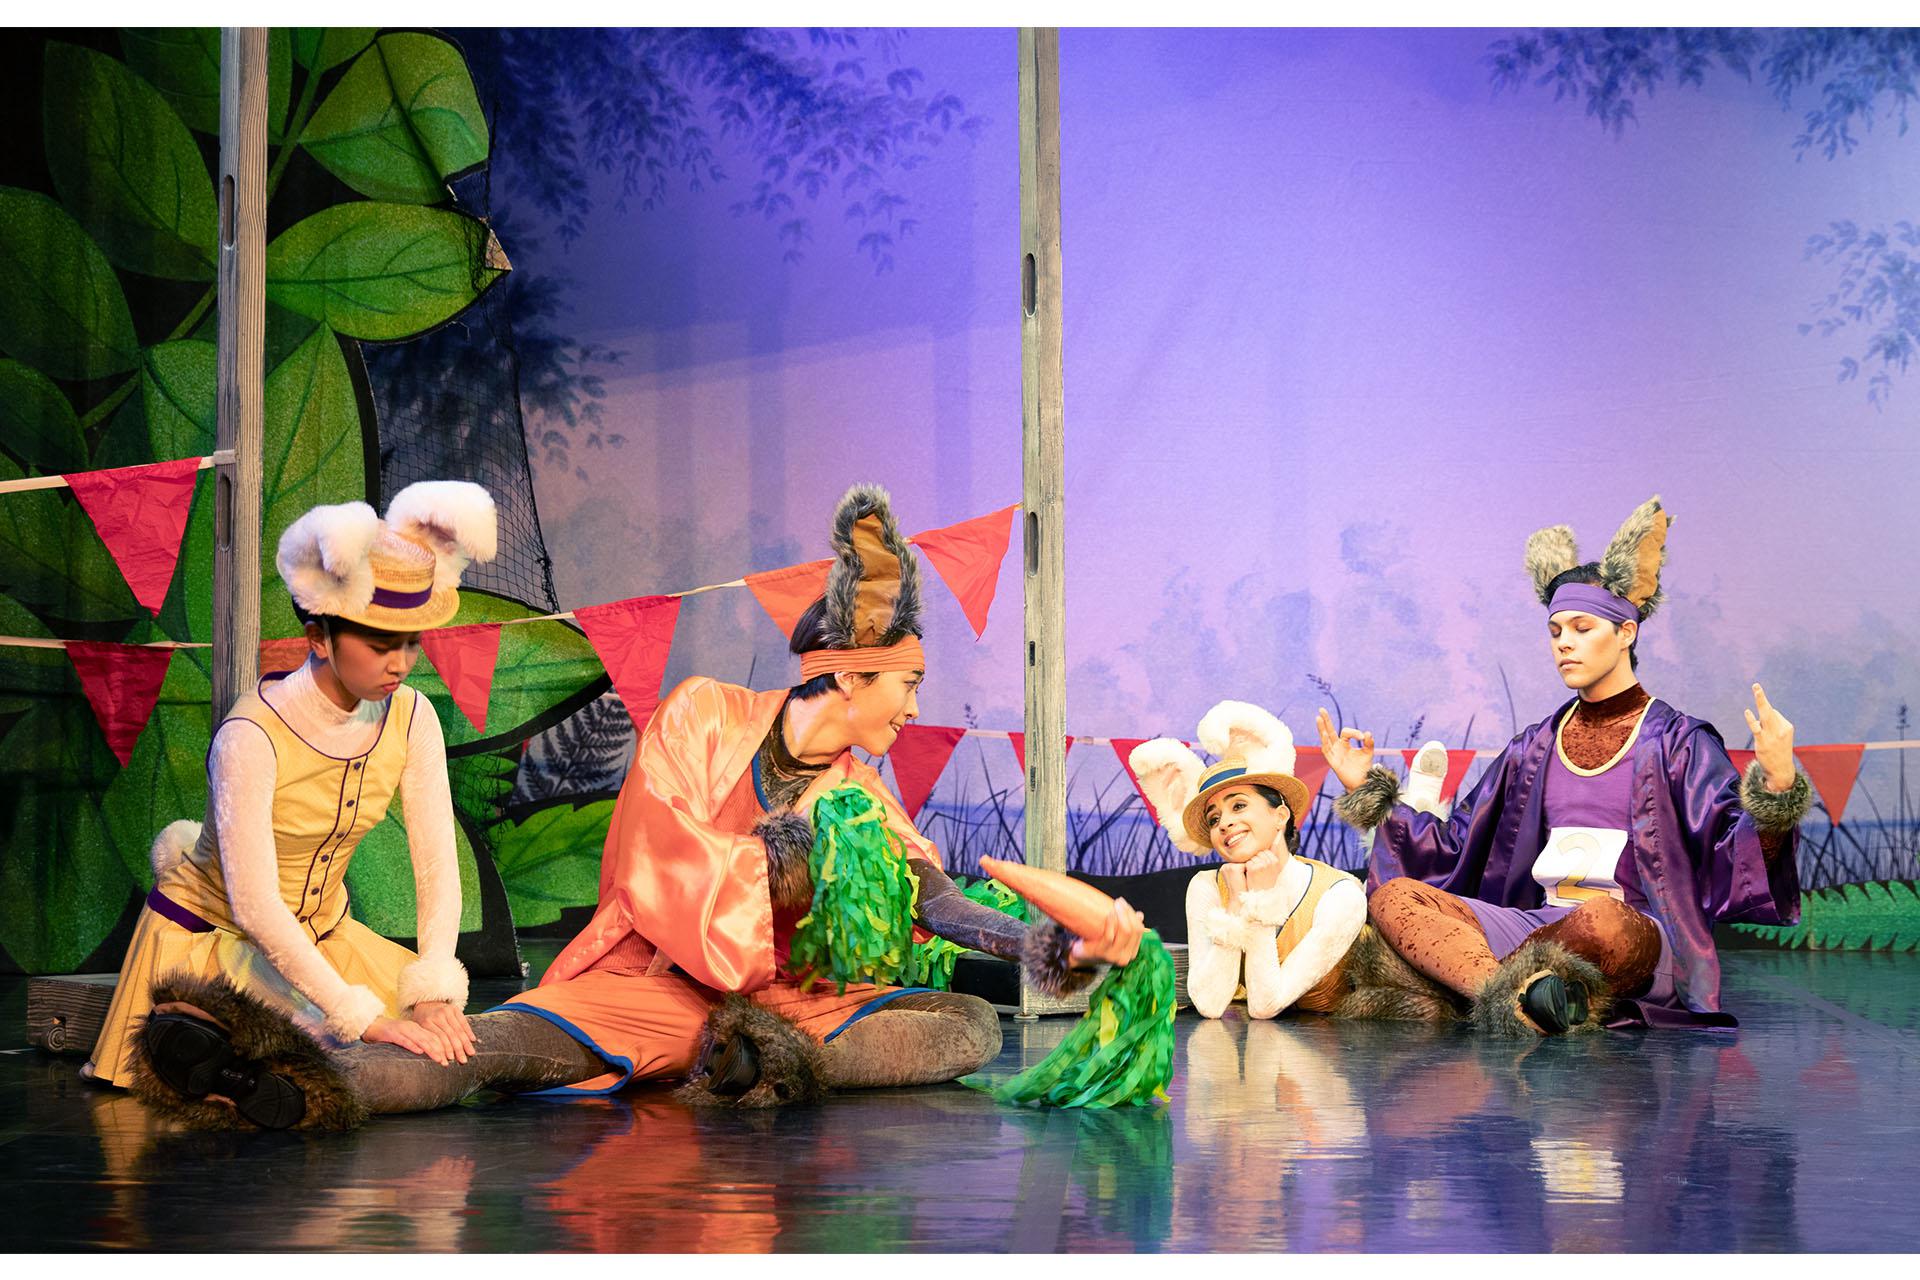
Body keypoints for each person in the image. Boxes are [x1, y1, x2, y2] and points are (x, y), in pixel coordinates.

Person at [498, 483, 1145, 1107]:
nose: (916, 708)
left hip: (789, 1001)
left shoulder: (859, 794)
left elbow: (936, 899)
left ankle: (770, 1058)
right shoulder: (705, 714)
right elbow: (653, 845)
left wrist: (1050, 945)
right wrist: (775, 861)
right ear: (848, 674)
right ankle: (740, 1055)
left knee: (970, 1023)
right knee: (485, 1049)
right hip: (660, 979)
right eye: (909, 683)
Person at [90, 482, 506, 1127]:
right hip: (217, 941)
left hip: (325, 933)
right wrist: (357, 1015)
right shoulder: (252, 735)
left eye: (411, 643)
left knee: (447, 1046)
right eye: (378, 643)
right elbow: (256, 908)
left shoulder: (412, 715)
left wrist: (433, 987)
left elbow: (436, 865)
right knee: (283, 1076)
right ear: (320, 637)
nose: (399, 663)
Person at [1316, 496, 1809, 1033]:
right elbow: (1456, 848)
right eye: (1555, 632)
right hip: (1533, 926)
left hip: (1633, 932)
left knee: (1602, 920)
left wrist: (1778, 785)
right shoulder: (1533, 748)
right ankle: (1519, 997)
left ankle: (1477, 985)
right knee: (1397, 897)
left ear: (1626, 632)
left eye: (1581, 628)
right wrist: (1364, 786)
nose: (1564, 644)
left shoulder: (1678, 742)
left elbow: (1728, 858)